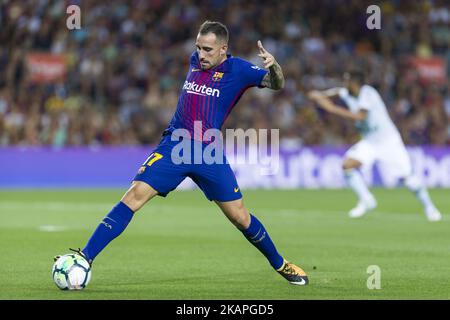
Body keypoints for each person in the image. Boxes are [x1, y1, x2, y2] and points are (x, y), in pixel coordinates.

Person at [56, 21, 308, 285]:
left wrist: (275, 67)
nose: (201, 54)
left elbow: (276, 84)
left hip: (207, 152)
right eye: (198, 48)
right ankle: (85, 257)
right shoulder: (195, 61)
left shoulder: (240, 70)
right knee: (133, 196)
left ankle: (281, 264)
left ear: (224, 49)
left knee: (239, 216)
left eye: (208, 49)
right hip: (175, 145)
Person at [307, 70, 442, 222]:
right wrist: (319, 94)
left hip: (388, 141)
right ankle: (367, 200)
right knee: (347, 165)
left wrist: (331, 108)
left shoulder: (368, 93)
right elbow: (336, 92)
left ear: (355, 82)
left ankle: (429, 207)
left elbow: (360, 116)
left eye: (347, 80)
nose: (344, 83)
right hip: (370, 142)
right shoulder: (347, 92)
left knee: (408, 179)